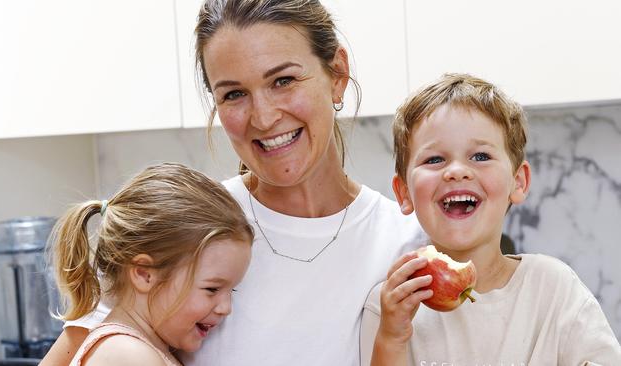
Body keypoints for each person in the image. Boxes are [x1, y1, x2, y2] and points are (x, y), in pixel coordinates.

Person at [40, 1, 426, 365]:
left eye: (283, 80)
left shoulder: (407, 242)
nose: (263, 117)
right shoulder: (190, 230)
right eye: (234, 94)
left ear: (337, 74)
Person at [361, 73, 621, 365]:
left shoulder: (553, 289)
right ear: (404, 192)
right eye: (434, 160)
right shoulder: (392, 307)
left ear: (518, 182)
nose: (457, 171)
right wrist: (392, 338)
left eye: (481, 156)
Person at [47, 163, 253, 365]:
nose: (226, 308)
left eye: (231, 291)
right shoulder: (127, 355)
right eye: (212, 289)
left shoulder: (142, 350)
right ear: (144, 274)